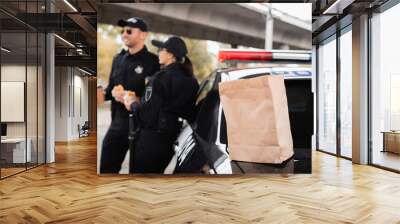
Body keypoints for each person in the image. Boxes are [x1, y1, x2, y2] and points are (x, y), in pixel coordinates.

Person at [123, 36, 199, 173]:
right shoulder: (192, 81)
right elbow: (187, 111)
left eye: (161, 49)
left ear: (170, 54)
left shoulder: (160, 78)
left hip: (150, 142)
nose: (158, 52)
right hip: (170, 142)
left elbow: (146, 115)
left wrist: (132, 103)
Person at [98, 17, 159, 173]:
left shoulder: (154, 62)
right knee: (106, 169)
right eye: (123, 31)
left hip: (142, 127)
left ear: (143, 35)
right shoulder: (118, 59)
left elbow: (155, 97)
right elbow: (111, 87)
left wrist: (135, 99)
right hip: (117, 125)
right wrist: (106, 92)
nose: (124, 34)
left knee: (140, 173)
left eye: (129, 30)